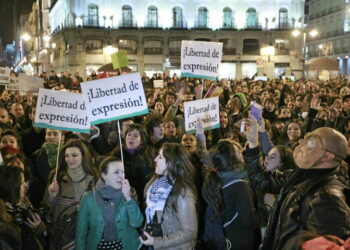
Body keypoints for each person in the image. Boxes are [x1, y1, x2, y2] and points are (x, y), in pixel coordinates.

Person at [243, 116, 350, 250]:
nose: (303, 145)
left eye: (311, 143)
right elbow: (262, 181)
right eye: (306, 140)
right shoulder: (298, 174)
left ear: (328, 156)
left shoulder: (329, 197)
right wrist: (253, 143)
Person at [201, 140, 260, 250]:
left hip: (224, 240)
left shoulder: (216, 180)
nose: (242, 153)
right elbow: (247, 221)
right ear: (231, 159)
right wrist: (266, 209)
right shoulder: (239, 185)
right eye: (238, 151)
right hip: (239, 242)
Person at [76, 157, 143, 250]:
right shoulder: (88, 197)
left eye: (122, 172)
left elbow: (137, 223)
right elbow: (81, 231)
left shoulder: (129, 192)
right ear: (104, 175)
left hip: (127, 245)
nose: (121, 176)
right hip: (99, 246)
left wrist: (128, 197)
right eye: (116, 172)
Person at [140, 143, 198, 249]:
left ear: (170, 163)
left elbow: (190, 232)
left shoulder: (182, 192)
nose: (155, 159)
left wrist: (157, 241)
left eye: (160, 157)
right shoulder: (154, 184)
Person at [45, 139, 98, 220]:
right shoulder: (57, 176)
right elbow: (47, 210)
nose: (70, 159)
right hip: (62, 229)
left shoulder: (94, 177)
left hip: (87, 228)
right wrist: (52, 197)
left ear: (83, 156)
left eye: (74, 155)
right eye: (67, 156)